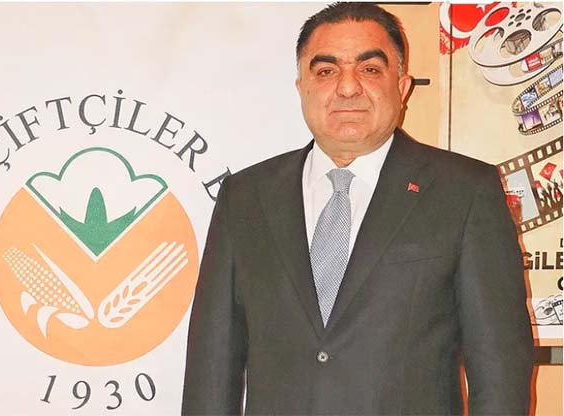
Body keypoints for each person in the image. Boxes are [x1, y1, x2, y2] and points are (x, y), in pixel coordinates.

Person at [182, 2, 533, 415]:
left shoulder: (465, 192)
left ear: (402, 86)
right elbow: (211, 369)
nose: (348, 88)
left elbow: (499, 371)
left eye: (369, 69)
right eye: (326, 71)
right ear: (301, 87)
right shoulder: (244, 198)